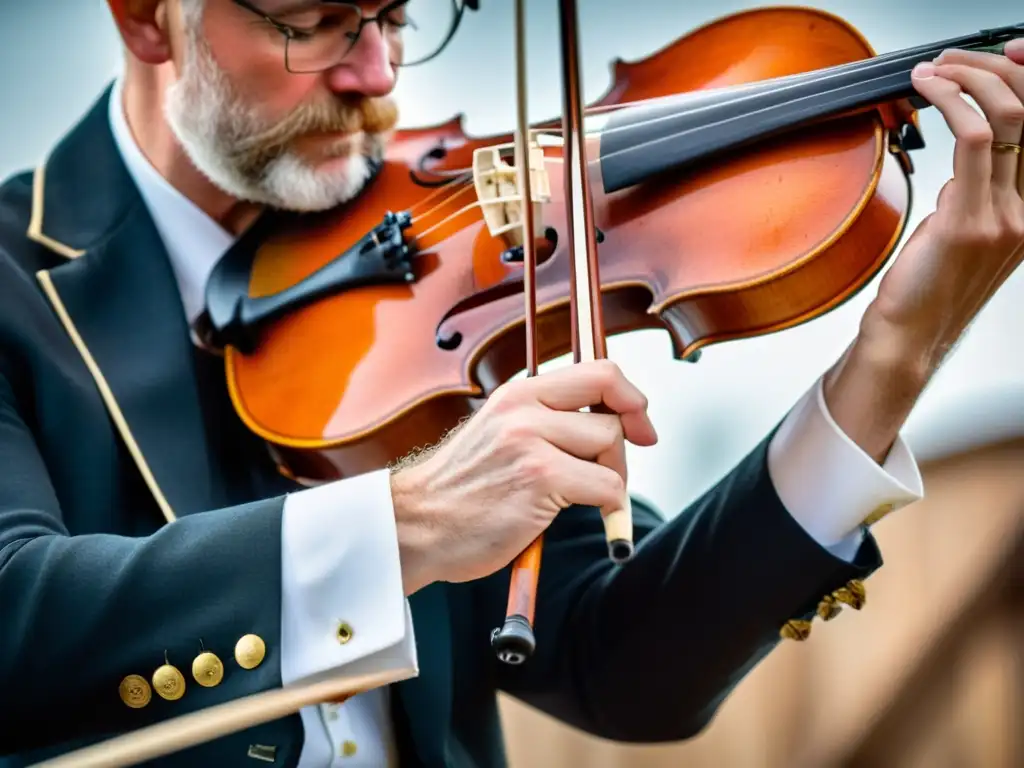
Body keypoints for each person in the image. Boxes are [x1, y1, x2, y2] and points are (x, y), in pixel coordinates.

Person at [0, 0, 1022, 765]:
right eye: (315, 23)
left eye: (397, 15)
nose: (377, 74)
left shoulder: (461, 289)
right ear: (146, 18)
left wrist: (897, 350)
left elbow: (622, 669)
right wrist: (411, 522)